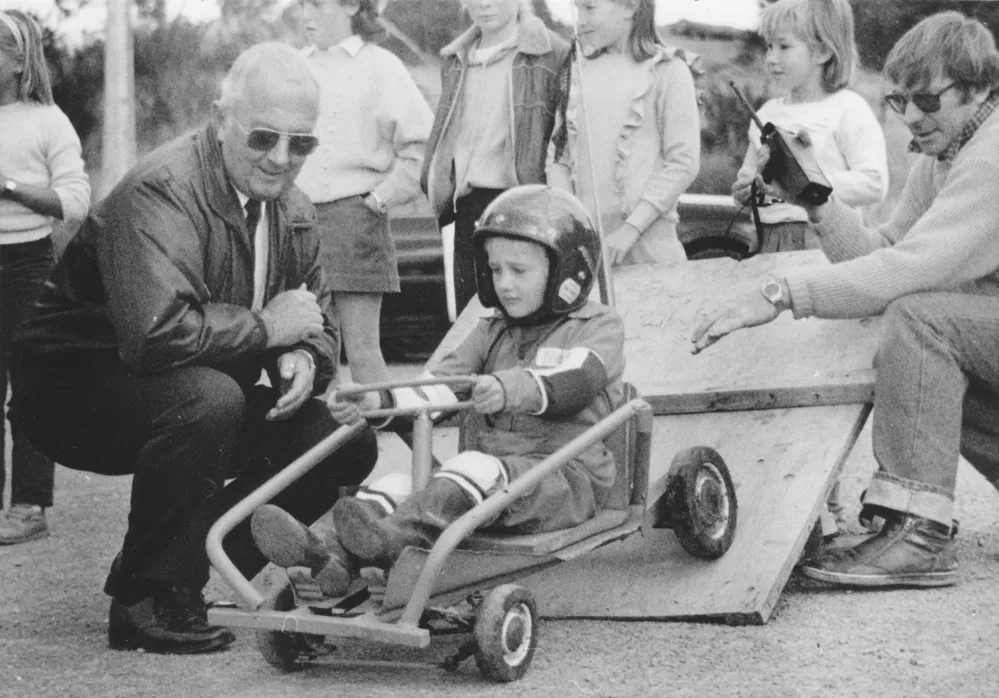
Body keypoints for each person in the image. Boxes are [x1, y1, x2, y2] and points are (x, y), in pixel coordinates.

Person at [10, 42, 378, 654]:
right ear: (220, 120)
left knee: (342, 441)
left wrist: (304, 359)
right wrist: (268, 329)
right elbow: (155, 335)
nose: (281, 157)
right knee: (211, 398)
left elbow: (315, 321)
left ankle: (183, 567)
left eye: (300, 143)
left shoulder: (294, 210)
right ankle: (143, 598)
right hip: (68, 395)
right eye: (263, 137)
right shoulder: (161, 190)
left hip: (180, 385)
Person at [691, 11, 999, 589]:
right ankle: (912, 519)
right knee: (924, 352)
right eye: (900, 100)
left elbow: (907, 271)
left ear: (979, 88)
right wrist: (814, 198)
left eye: (927, 100)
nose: (911, 117)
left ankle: (918, 531)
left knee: (920, 322)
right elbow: (883, 250)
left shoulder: (991, 157)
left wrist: (782, 293)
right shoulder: (944, 156)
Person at [250, 185, 626, 597]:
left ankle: (392, 545)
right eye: (495, 270)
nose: (504, 284)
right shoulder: (491, 331)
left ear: (566, 273)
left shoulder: (598, 326)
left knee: (471, 468)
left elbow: (577, 380)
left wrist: (510, 389)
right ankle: (325, 552)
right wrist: (379, 401)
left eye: (519, 271)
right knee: (397, 483)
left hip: (562, 480)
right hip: (502, 480)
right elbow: (439, 386)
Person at [295, 0, 432, 389]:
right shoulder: (296, 67)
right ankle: (324, 431)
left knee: (363, 352)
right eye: (301, 4)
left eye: (316, 4)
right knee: (312, 351)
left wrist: (379, 199)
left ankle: (389, 427)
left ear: (352, 5)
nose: (305, 15)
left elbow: (424, 148)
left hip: (356, 225)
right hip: (297, 225)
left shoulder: (383, 67)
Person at [0, 11, 90, 546]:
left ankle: (29, 506)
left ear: (18, 62)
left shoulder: (48, 121)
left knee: (29, 390)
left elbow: (75, 202)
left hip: (28, 264)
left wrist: (9, 188)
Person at [422, 0, 570, 315]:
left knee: (527, 320)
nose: (483, 4)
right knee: (472, 320)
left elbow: (565, 144)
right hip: (468, 208)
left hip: (526, 206)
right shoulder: (455, 57)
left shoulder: (554, 53)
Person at [547, 0, 700, 267]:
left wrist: (631, 229)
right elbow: (558, 158)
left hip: (649, 248)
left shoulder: (669, 69)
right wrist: (572, 223)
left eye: (590, 8)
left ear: (630, 8)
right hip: (588, 252)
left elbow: (683, 163)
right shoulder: (576, 70)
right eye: (577, 9)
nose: (580, 20)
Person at [731, 0, 888, 253]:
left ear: (822, 52)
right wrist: (745, 191)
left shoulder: (848, 109)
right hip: (765, 241)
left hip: (823, 243)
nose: (771, 58)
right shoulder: (767, 113)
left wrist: (805, 186)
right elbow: (748, 178)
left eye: (784, 46)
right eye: (769, 46)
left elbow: (874, 183)